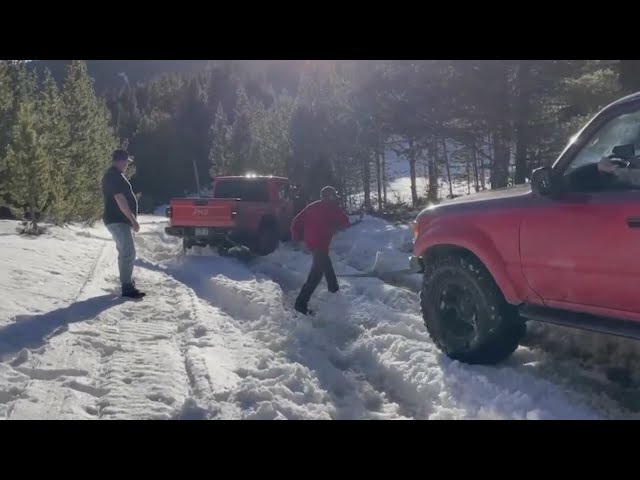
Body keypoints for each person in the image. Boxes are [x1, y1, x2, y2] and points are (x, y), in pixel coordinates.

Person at [291, 186, 350, 315]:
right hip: (320, 245)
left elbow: (296, 221)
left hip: (312, 244)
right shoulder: (332, 208)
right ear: (330, 196)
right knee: (322, 275)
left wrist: (297, 236)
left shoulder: (312, 206)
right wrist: (338, 223)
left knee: (322, 274)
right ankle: (303, 305)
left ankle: (304, 304)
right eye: (334, 195)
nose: (335, 197)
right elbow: (345, 221)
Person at [101, 149, 145, 299]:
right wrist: (133, 220)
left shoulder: (114, 175)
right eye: (126, 161)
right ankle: (127, 287)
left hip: (118, 220)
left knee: (125, 252)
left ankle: (127, 282)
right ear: (120, 161)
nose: (127, 164)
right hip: (118, 220)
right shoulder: (114, 176)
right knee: (128, 252)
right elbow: (120, 200)